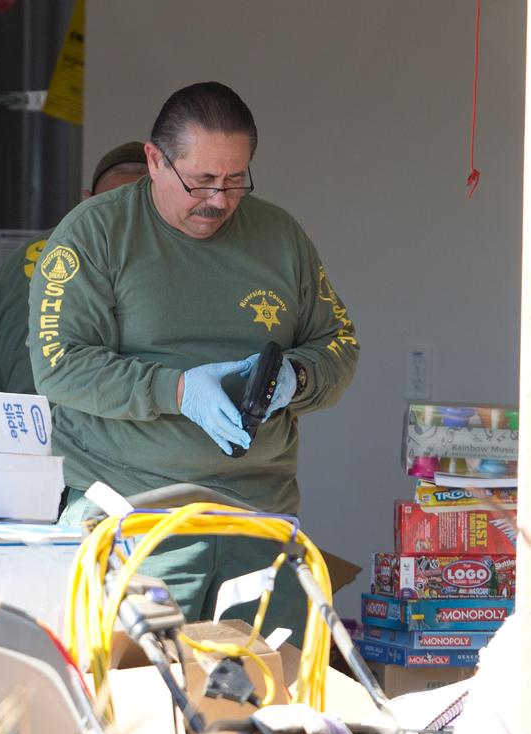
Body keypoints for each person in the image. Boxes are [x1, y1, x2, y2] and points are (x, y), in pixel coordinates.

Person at [27, 82, 359, 646]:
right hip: (134, 519)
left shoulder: (281, 238)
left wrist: (295, 380)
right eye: (201, 180)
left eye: (235, 180)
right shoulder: (95, 234)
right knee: (134, 713)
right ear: (155, 160)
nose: (218, 200)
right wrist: (176, 390)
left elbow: (339, 345)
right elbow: (61, 368)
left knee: (267, 715)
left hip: (258, 517)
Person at [0, 142, 148, 394]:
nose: (125, 221)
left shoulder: (18, 260)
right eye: (115, 206)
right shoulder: (144, 259)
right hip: (80, 425)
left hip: (15, 422)